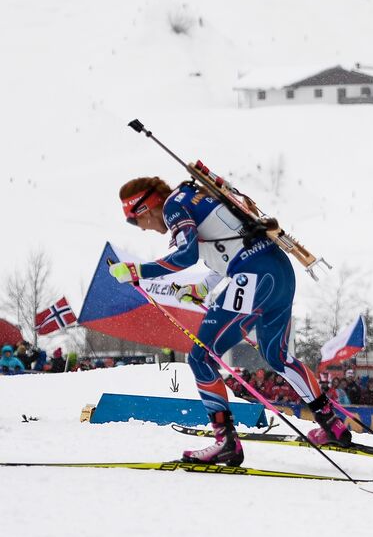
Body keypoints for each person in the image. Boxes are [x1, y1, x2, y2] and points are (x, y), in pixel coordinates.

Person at [111, 176, 351, 465]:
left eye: (136, 222)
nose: (145, 229)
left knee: (200, 357)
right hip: (279, 273)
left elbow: (186, 256)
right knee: (277, 357)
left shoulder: (173, 206)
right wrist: (201, 288)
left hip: (253, 275)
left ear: (144, 209)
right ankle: (332, 424)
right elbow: (227, 249)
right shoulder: (196, 197)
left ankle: (225, 442)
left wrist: (139, 271)